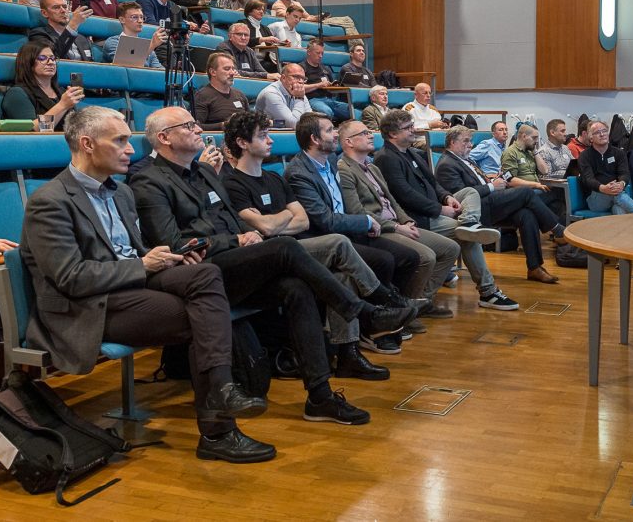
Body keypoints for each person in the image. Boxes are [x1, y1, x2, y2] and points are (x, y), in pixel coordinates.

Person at [130, 106, 417, 426]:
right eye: (188, 126)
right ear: (164, 138)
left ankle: (320, 396)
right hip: (199, 274)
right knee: (284, 247)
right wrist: (236, 240)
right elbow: (175, 244)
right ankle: (365, 311)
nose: (199, 130)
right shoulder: (148, 181)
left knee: (296, 288)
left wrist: (242, 236)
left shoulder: (205, 172)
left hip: (229, 263)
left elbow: (228, 222)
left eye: (197, 124)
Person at [20, 106, 274, 464]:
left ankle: (221, 392)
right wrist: (142, 264)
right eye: (121, 140)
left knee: (205, 274)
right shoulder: (50, 201)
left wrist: (165, 256)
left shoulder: (120, 193)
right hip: (90, 305)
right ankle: (219, 428)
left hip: (133, 287)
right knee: (201, 316)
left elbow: (133, 251)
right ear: (87, 144)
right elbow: (71, 277)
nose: (131, 149)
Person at [221, 110, 394, 378]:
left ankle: (348, 354)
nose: (271, 141)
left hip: (293, 246)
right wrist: (282, 218)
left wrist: (274, 221)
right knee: (337, 242)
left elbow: (301, 221)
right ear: (243, 143)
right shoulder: (231, 183)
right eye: (263, 136)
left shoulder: (274, 178)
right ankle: (381, 301)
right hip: (266, 256)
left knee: (342, 275)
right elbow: (266, 228)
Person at [284, 112, 427, 348]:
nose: (336, 135)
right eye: (330, 130)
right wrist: (365, 222)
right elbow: (326, 221)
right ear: (315, 139)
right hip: (326, 238)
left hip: (348, 230)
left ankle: (390, 315)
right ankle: (383, 314)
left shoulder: (329, 163)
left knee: (406, 256)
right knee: (383, 260)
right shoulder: (299, 172)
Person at [375, 109, 514, 310]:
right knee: (468, 237)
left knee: (469, 193)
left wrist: (446, 197)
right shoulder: (386, 157)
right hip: (418, 216)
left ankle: (469, 222)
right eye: (407, 128)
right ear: (392, 134)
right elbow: (404, 195)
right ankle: (488, 291)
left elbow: (433, 183)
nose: (413, 130)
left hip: (434, 206)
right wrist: (439, 209)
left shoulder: (412, 151)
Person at [338, 120, 459, 318]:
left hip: (397, 223)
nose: (370, 135)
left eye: (369, 132)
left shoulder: (372, 167)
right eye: (364, 133)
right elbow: (357, 211)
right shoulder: (344, 169)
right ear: (349, 142)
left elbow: (392, 201)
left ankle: (421, 302)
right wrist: (396, 227)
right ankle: (405, 311)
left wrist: (406, 220)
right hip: (379, 229)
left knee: (450, 248)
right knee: (426, 256)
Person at [438, 126, 567, 287]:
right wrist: (492, 186)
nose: (470, 145)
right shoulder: (446, 164)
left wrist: (491, 180)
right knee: (526, 193)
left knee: (527, 215)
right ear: (452, 142)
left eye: (470, 141)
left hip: (489, 202)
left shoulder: (465, 159)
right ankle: (557, 230)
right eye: (466, 141)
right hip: (474, 212)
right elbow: (461, 196)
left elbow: (477, 182)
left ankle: (534, 267)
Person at [0, 42, 83, 130]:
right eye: (42, 58)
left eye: (53, 58)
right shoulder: (17, 93)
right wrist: (62, 105)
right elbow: (31, 131)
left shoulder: (62, 91)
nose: (51, 62)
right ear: (28, 62)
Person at [578, 120, 633, 215]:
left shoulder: (619, 153)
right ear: (591, 138)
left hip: (616, 193)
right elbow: (588, 179)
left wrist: (621, 183)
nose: (602, 134)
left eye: (604, 131)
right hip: (596, 198)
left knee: (618, 209)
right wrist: (603, 188)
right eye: (597, 132)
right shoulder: (584, 156)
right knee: (617, 194)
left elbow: (624, 173)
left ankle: (621, 230)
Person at [27, 0, 95, 62]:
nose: (63, 10)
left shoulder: (82, 38)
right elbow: (53, 57)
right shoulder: (39, 34)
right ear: (45, 13)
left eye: (65, 7)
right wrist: (73, 24)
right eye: (56, 7)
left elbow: (91, 64)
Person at [103, 1, 168, 68]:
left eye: (141, 17)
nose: (140, 21)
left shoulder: (146, 45)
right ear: (122, 20)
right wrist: (152, 45)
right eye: (134, 17)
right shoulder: (113, 42)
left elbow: (159, 69)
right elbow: (127, 66)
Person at [194, 52, 250, 130]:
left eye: (233, 69)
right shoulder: (202, 96)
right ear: (213, 72)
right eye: (227, 69)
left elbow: (250, 122)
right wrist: (224, 125)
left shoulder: (240, 95)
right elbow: (196, 127)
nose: (232, 73)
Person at [255, 63, 311, 128]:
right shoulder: (270, 93)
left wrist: (280, 123)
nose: (301, 82)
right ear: (283, 78)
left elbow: (310, 120)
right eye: (296, 77)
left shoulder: (298, 92)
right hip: (266, 134)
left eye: (303, 78)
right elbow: (294, 124)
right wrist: (299, 98)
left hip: (285, 130)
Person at [500, 124, 551, 192]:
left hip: (535, 189)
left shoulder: (530, 152)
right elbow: (510, 180)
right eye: (534, 138)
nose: (536, 141)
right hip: (521, 192)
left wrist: (535, 151)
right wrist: (535, 184)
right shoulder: (510, 152)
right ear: (524, 136)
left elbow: (545, 171)